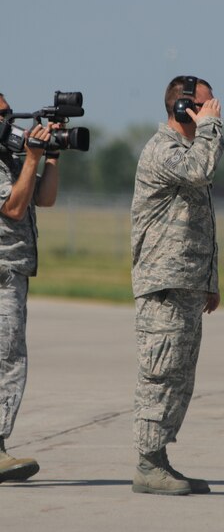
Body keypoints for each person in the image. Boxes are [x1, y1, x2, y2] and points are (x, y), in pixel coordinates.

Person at [130, 75, 224, 495]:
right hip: (164, 284)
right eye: (204, 105)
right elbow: (201, 171)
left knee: (180, 379)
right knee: (160, 373)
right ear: (183, 107)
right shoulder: (164, 150)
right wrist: (210, 127)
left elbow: (201, 222)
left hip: (186, 282)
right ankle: (147, 465)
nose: (213, 110)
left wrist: (209, 281)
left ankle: (160, 458)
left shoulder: (189, 149)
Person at [0, 92, 61, 483]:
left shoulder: (13, 156)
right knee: (7, 360)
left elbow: (45, 198)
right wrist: (33, 158)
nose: (9, 119)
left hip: (13, 270)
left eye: (8, 113)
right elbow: (13, 208)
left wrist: (51, 155)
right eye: (2, 115)